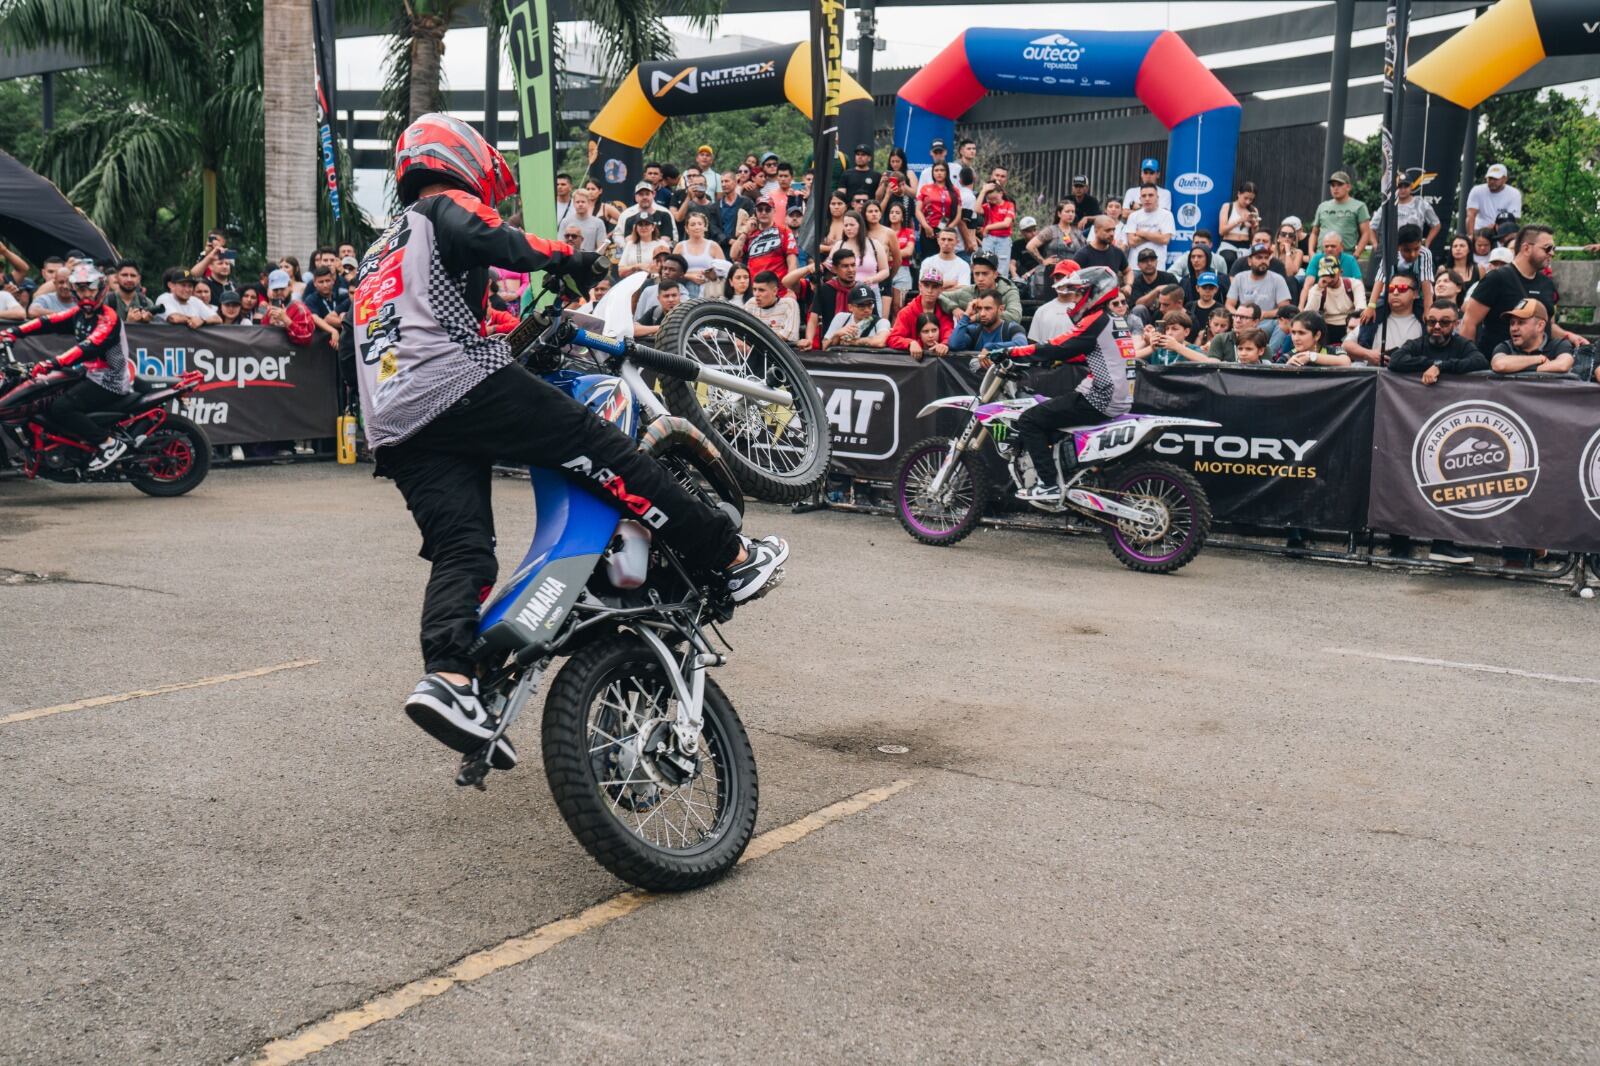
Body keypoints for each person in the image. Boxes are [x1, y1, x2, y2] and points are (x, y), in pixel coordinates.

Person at [352, 114, 787, 763]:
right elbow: (490, 235)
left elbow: (450, 317)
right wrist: (568, 258)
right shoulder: (441, 204)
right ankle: (730, 557)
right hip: (454, 384)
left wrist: (524, 324)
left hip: (394, 422)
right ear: (456, 160)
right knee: (605, 453)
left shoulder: (378, 249)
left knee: (463, 548)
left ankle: (452, 680)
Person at [1002, 267, 1132, 501]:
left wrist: (1010, 352)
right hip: (1116, 396)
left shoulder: (1095, 321)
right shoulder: (1113, 320)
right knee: (1049, 417)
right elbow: (1088, 352)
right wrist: (1057, 357)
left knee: (1029, 420)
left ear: (1094, 293)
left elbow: (1057, 344)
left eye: (1078, 293)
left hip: (1100, 398)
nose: (1074, 299)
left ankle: (1049, 485)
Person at [0, 263, 133, 471]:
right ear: (74, 291)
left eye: (90, 289)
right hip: (88, 373)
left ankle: (107, 443)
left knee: (60, 407)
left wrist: (51, 363)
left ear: (100, 289)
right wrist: (13, 332)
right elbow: (48, 321)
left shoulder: (108, 319)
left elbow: (86, 348)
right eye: (81, 289)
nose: (86, 294)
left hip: (109, 379)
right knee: (43, 394)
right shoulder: (79, 314)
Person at [1385, 300, 1488, 566]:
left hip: (1449, 428)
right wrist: (1431, 363)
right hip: (1411, 423)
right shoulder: (1417, 343)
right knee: (1403, 479)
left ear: (1455, 324)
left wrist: (1441, 366)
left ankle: (1442, 544)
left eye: (1444, 322)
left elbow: (1478, 361)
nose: (1437, 327)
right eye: (1432, 322)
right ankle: (1399, 545)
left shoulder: (1462, 345)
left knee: (1446, 482)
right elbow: (1396, 361)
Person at [1460, 224, 1569, 355]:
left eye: (1553, 248)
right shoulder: (1496, 278)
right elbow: (1469, 322)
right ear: (1527, 248)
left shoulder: (1547, 283)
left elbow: (1547, 327)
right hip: (1496, 366)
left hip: (1536, 365)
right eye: (1547, 248)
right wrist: (1470, 361)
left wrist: (1570, 336)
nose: (1552, 253)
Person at [1344, 276, 1422, 365]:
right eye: (1391, 288)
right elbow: (1346, 345)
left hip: (1410, 376)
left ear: (1415, 294)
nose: (1395, 293)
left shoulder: (1425, 322)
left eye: (1402, 288)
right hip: (1377, 375)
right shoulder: (1374, 318)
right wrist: (1368, 354)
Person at [1489, 298, 1573, 375]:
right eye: (1512, 323)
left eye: (1521, 322)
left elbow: (1563, 365)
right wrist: (1538, 359)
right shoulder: (1505, 346)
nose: (1513, 328)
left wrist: (1516, 367)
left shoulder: (1559, 345)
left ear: (1540, 326)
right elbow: (1499, 365)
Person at [886, 264, 955, 358]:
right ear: (920, 287)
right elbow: (893, 338)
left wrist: (944, 344)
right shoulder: (906, 312)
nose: (930, 290)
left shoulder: (945, 310)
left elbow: (949, 332)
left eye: (934, 286)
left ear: (941, 289)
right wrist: (910, 343)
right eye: (926, 285)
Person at [939, 252, 1022, 326]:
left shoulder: (1009, 291)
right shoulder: (968, 291)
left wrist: (977, 317)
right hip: (974, 338)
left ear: (995, 274)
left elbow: (1015, 316)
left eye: (985, 274)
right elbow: (939, 295)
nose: (980, 278)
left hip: (1001, 337)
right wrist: (953, 308)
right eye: (977, 274)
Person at [1309, 171, 1373, 258]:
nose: (1335, 188)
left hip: (1345, 255)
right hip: (1321, 254)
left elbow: (1366, 233)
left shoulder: (1359, 206)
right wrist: (1311, 252)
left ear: (1348, 187)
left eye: (1339, 184)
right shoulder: (1322, 206)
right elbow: (1314, 233)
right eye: (1333, 185)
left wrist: (1357, 254)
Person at [1300, 259, 1360, 344]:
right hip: (1327, 326)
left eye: (1332, 275)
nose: (1329, 279)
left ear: (1340, 272)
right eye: (1325, 275)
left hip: (1349, 324)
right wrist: (1319, 289)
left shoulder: (1354, 284)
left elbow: (1361, 309)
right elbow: (1309, 315)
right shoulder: (1316, 289)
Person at [948, 289, 1027, 353]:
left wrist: (990, 347)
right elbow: (954, 345)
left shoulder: (1011, 328)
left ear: (1001, 309)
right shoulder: (974, 331)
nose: (982, 314)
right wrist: (966, 315)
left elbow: (1022, 345)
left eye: (988, 308)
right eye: (979, 308)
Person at [1228, 243, 1292, 314]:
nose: (1263, 261)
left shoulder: (1278, 279)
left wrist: (1264, 315)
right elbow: (1229, 304)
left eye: (1266, 258)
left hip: (1270, 322)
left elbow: (1285, 309)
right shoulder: (1239, 278)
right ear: (1249, 261)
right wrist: (1239, 316)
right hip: (1243, 321)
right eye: (1259, 257)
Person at [257, 269, 317, 344]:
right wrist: (269, 324)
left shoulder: (299, 308)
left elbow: (307, 337)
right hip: (274, 354)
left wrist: (286, 320)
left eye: (282, 288)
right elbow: (260, 337)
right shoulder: (269, 310)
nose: (279, 292)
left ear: (290, 287)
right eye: (275, 289)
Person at [673, 212, 724, 298]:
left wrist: (710, 274)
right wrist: (689, 276)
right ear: (686, 228)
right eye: (693, 224)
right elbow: (672, 270)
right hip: (686, 287)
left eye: (700, 224)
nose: (697, 227)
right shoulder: (680, 246)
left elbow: (723, 270)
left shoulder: (713, 246)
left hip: (710, 288)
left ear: (705, 227)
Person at [823, 283, 890, 348]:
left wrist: (852, 342)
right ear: (850, 307)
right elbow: (824, 346)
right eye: (861, 305)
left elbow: (880, 342)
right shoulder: (841, 318)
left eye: (870, 305)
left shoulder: (881, 322)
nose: (866, 310)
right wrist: (836, 335)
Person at [1464, 163, 1522, 238]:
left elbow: (1513, 219)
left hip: (1502, 232)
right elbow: (1471, 214)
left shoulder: (1514, 193)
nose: (1492, 181)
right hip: (1479, 232)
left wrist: (1494, 227)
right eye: (1490, 178)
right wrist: (1470, 236)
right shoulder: (1477, 190)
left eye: (1496, 179)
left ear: (1505, 179)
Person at [1123, 185, 1175, 267]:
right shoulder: (1133, 216)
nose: (1147, 198)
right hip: (1135, 265)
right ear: (1140, 199)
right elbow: (1132, 242)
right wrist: (1156, 235)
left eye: (1151, 195)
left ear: (1157, 197)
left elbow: (1165, 240)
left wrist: (1142, 233)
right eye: (1144, 196)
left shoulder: (1167, 215)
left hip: (1157, 266)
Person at [1028, 262, 1080, 342]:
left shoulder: (1085, 310)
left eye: (1066, 277)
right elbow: (1034, 344)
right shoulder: (1042, 310)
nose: (1061, 281)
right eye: (1057, 277)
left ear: (1076, 279)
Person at [745, 270, 800, 342]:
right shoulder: (751, 304)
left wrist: (756, 337)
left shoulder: (789, 304)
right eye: (754, 289)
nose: (756, 294)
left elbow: (790, 335)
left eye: (761, 290)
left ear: (775, 291)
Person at [1280, 310, 1349, 367]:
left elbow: (1346, 362)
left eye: (1301, 333)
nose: (1295, 338)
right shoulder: (1287, 357)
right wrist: (1287, 367)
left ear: (1317, 335)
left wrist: (1310, 356)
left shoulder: (1333, 351)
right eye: (1293, 332)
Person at [156, 268, 220, 328]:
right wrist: (194, 320)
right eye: (183, 285)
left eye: (190, 286)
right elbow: (174, 318)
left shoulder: (195, 301)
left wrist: (203, 321)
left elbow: (218, 319)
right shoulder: (164, 298)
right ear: (171, 285)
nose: (187, 289)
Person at [302, 265, 350, 342]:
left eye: (327, 281)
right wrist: (333, 331)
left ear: (333, 281)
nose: (325, 285)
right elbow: (314, 318)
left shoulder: (341, 296)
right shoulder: (311, 299)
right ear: (314, 283)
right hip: (321, 343)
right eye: (321, 282)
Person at [978, 185, 1017, 275]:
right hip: (989, 239)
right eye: (990, 199)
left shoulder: (1009, 205)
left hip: (1003, 239)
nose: (992, 201)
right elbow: (976, 209)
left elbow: (1006, 223)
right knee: (986, 264)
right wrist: (983, 191)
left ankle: (1001, 287)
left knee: (1002, 268)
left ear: (1001, 193)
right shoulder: (988, 206)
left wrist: (988, 227)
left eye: (995, 198)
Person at [106, 259, 156, 324]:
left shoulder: (147, 303)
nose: (129, 279)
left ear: (139, 279)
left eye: (133, 276)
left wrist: (147, 323)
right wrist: (128, 323)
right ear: (116, 277)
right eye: (124, 275)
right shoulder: (106, 301)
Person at [1217, 182, 1259, 255]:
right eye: (1245, 198)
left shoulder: (1253, 210)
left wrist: (1254, 226)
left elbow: (1255, 236)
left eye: (1251, 199)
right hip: (1229, 243)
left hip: (1246, 244)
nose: (1247, 202)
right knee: (1229, 258)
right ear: (1239, 194)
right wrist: (1239, 220)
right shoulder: (1227, 207)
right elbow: (1221, 231)